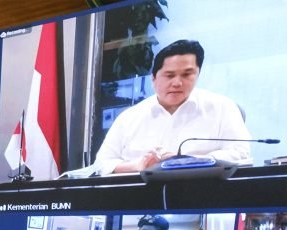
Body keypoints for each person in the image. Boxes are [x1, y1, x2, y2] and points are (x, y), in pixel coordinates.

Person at [94, 40, 252, 175]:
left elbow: (241, 153)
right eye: (169, 75)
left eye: (187, 74)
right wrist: (138, 165)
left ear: (198, 74)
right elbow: (102, 164)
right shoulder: (129, 117)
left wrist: (187, 161)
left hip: (206, 196)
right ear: (153, 79)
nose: (177, 83)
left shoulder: (223, 107)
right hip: (140, 199)